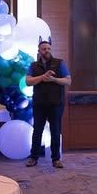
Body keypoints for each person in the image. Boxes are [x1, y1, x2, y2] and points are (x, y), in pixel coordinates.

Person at [25, 38, 71, 168]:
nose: (47, 51)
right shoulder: (33, 65)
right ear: (39, 51)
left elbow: (68, 81)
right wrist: (42, 77)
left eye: (49, 48)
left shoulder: (59, 63)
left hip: (56, 103)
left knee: (55, 131)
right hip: (39, 104)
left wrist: (53, 79)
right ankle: (34, 157)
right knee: (37, 131)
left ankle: (56, 159)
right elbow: (28, 81)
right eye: (44, 49)